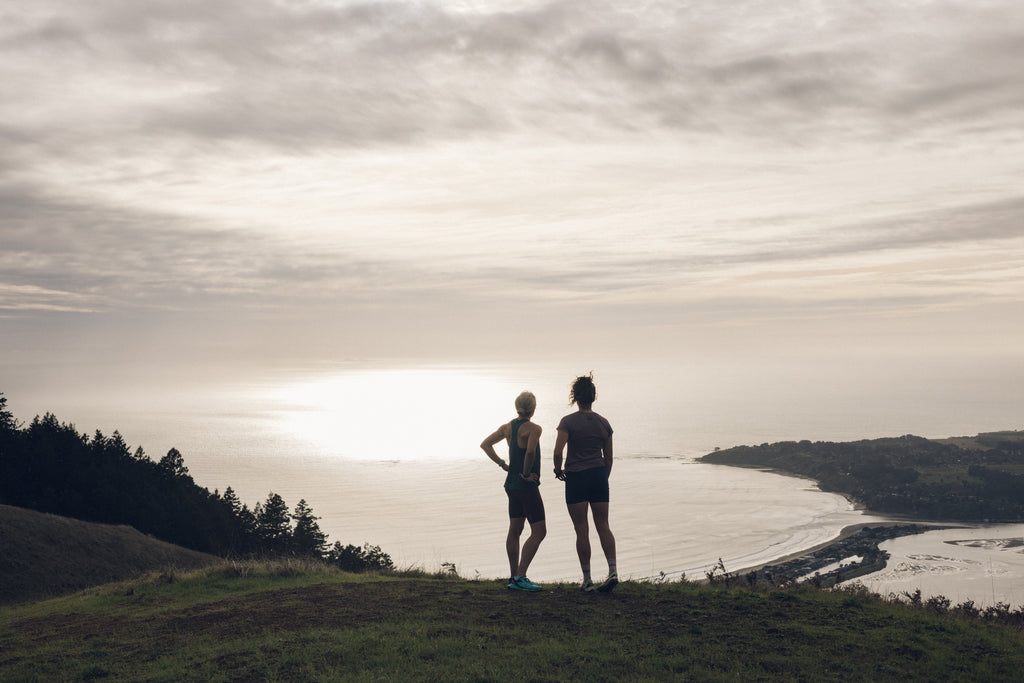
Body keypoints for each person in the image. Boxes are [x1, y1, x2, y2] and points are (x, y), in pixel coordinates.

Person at [553, 373, 618, 592]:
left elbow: (557, 451)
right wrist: (602, 477)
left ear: (575, 397)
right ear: (593, 397)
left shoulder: (567, 422)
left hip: (577, 478)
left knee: (581, 529)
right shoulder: (604, 423)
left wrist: (557, 469)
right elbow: (609, 458)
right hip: (599, 476)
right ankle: (613, 571)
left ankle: (587, 579)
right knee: (604, 526)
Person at [480, 390, 546, 592]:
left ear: (516, 406)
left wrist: (502, 464)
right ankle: (520, 575)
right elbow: (530, 451)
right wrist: (527, 474)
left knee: (515, 530)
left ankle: (513, 577)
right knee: (539, 531)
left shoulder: (507, 427)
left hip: (511, 485)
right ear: (533, 408)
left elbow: (485, 444)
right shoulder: (534, 428)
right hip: (526, 486)